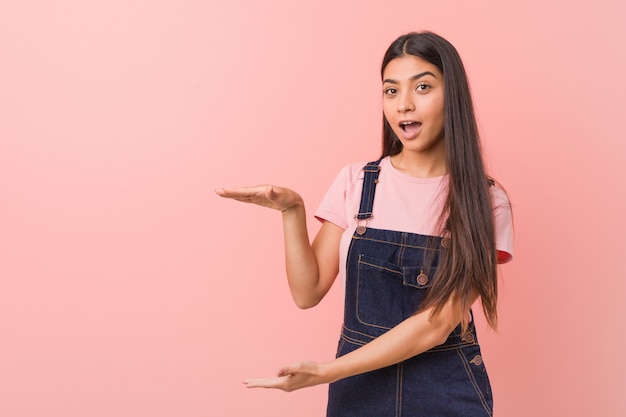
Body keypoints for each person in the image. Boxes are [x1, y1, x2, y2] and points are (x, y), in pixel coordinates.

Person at [216, 31, 513, 417]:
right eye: (391, 91)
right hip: (359, 392)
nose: (404, 105)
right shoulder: (357, 182)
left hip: (444, 391)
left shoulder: (486, 201)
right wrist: (293, 212)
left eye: (422, 87)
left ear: (452, 95)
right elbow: (307, 293)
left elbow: (435, 325)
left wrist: (328, 372)